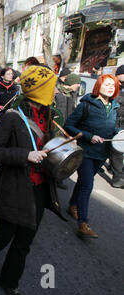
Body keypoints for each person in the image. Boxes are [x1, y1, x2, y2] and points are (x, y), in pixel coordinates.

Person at [0, 65, 68, 295]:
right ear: (38, 90)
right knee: (4, 235)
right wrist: (24, 155)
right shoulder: (13, 117)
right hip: (15, 187)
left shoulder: (49, 115)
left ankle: (10, 281)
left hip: (40, 188)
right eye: (51, 87)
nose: (56, 91)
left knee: (25, 240)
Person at [64, 74, 121, 238]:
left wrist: (119, 134)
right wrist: (89, 136)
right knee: (88, 185)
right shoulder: (86, 105)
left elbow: (113, 129)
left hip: (102, 154)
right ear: (99, 86)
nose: (111, 87)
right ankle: (83, 222)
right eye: (107, 84)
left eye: (114, 85)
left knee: (83, 182)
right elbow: (69, 125)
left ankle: (73, 205)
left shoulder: (115, 107)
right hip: (85, 152)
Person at [109, 65, 124, 188]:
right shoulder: (111, 86)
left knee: (118, 151)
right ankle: (118, 178)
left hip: (121, 124)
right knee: (117, 151)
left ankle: (118, 175)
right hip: (112, 123)